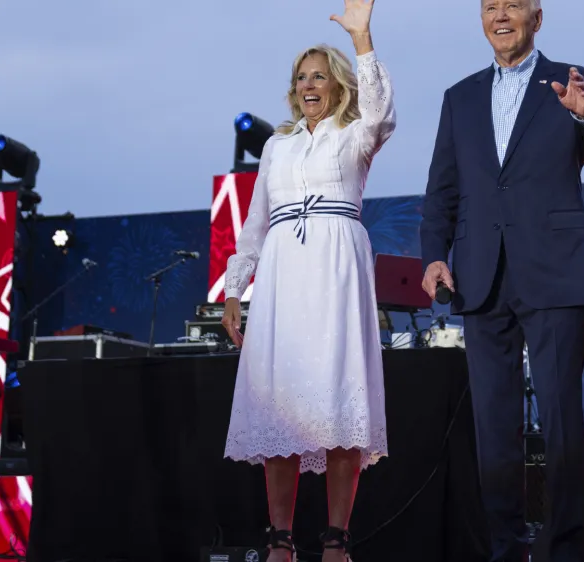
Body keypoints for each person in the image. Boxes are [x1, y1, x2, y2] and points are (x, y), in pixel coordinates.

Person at [419, 1, 584, 561]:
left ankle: (565, 550)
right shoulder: (458, 97)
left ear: (537, 16)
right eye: (491, 6)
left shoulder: (572, 79)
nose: (501, 15)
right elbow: (442, 190)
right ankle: (506, 549)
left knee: (561, 418)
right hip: (479, 276)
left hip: (554, 269)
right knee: (494, 426)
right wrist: (434, 256)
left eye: (513, 4)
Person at [219, 1, 394, 560]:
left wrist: (362, 40)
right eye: (301, 77)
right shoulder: (277, 144)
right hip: (281, 280)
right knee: (279, 408)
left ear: (339, 83)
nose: (309, 83)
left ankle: (337, 537)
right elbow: (254, 223)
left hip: (336, 271)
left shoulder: (355, 133)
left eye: (319, 74)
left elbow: (383, 112)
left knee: (339, 407)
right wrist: (233, 287)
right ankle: (279, 537)